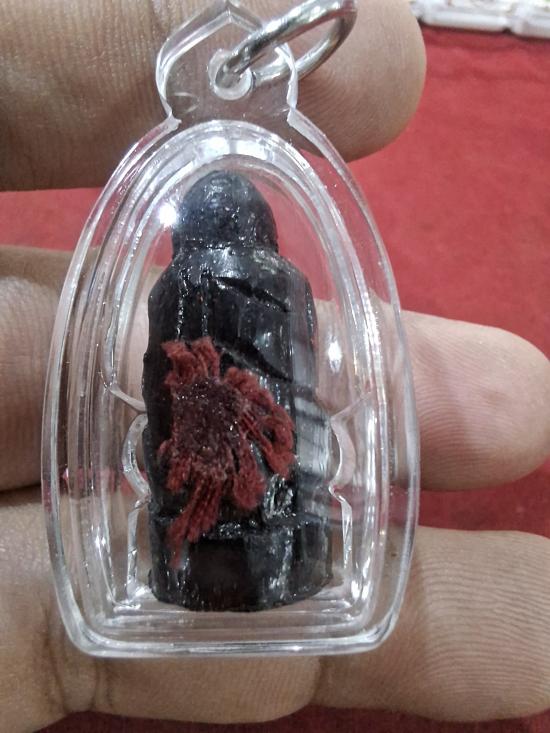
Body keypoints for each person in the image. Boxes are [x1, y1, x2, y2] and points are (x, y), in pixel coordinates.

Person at [0, 0, 549, 730]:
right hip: (223, 483)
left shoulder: (205, 288)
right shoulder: (242, 288)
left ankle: (230, 543)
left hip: (239, 487)